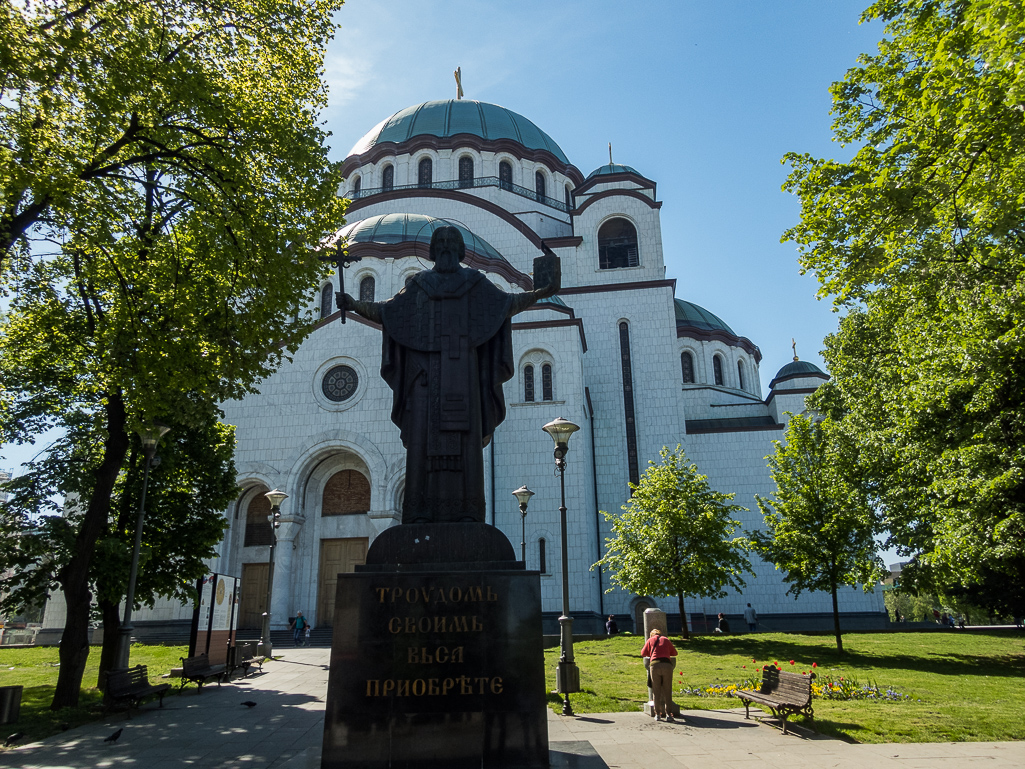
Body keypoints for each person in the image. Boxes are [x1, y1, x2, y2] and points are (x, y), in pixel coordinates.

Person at [343, 226, 559, 523]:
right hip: (423, 378)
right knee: (420, 442)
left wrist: (541, 293)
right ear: (433, 250)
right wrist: (355, 304)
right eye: (439, 243)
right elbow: (389, 312)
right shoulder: (419, 284)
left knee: (466, 440)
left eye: (450, 243)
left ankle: (469, 513)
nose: (445, 247)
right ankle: (417, 513)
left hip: (464, 376)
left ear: (459, 249)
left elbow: (506, 304)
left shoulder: (474, 283)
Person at [641, 629, 677, 722]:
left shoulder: (650, 640)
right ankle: (669, 714)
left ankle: (657, 714)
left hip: (655, 665)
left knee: (656, 691)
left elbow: (643, 653)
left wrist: (652, 653)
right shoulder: (666, 639)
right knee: (667, 690)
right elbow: (675, 653)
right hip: (667, 665)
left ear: (651, 635)